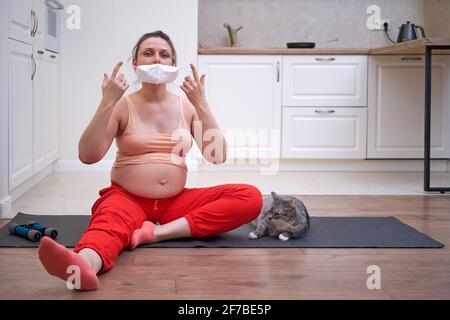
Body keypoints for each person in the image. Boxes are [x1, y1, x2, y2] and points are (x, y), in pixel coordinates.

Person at [37, 31, 263, 291]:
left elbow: (217, 156)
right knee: (109, 223)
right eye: (148, 53)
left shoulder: (186, 106)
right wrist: (106, 103)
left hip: (175, 203)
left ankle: (156, 233)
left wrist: (201, 104)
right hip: (127, 198)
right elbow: (88, 156)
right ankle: (83, 266)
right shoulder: (122, 105)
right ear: (135, 64)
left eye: (164, 55)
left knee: (250, 197)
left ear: (172, 65)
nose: (156, 59)